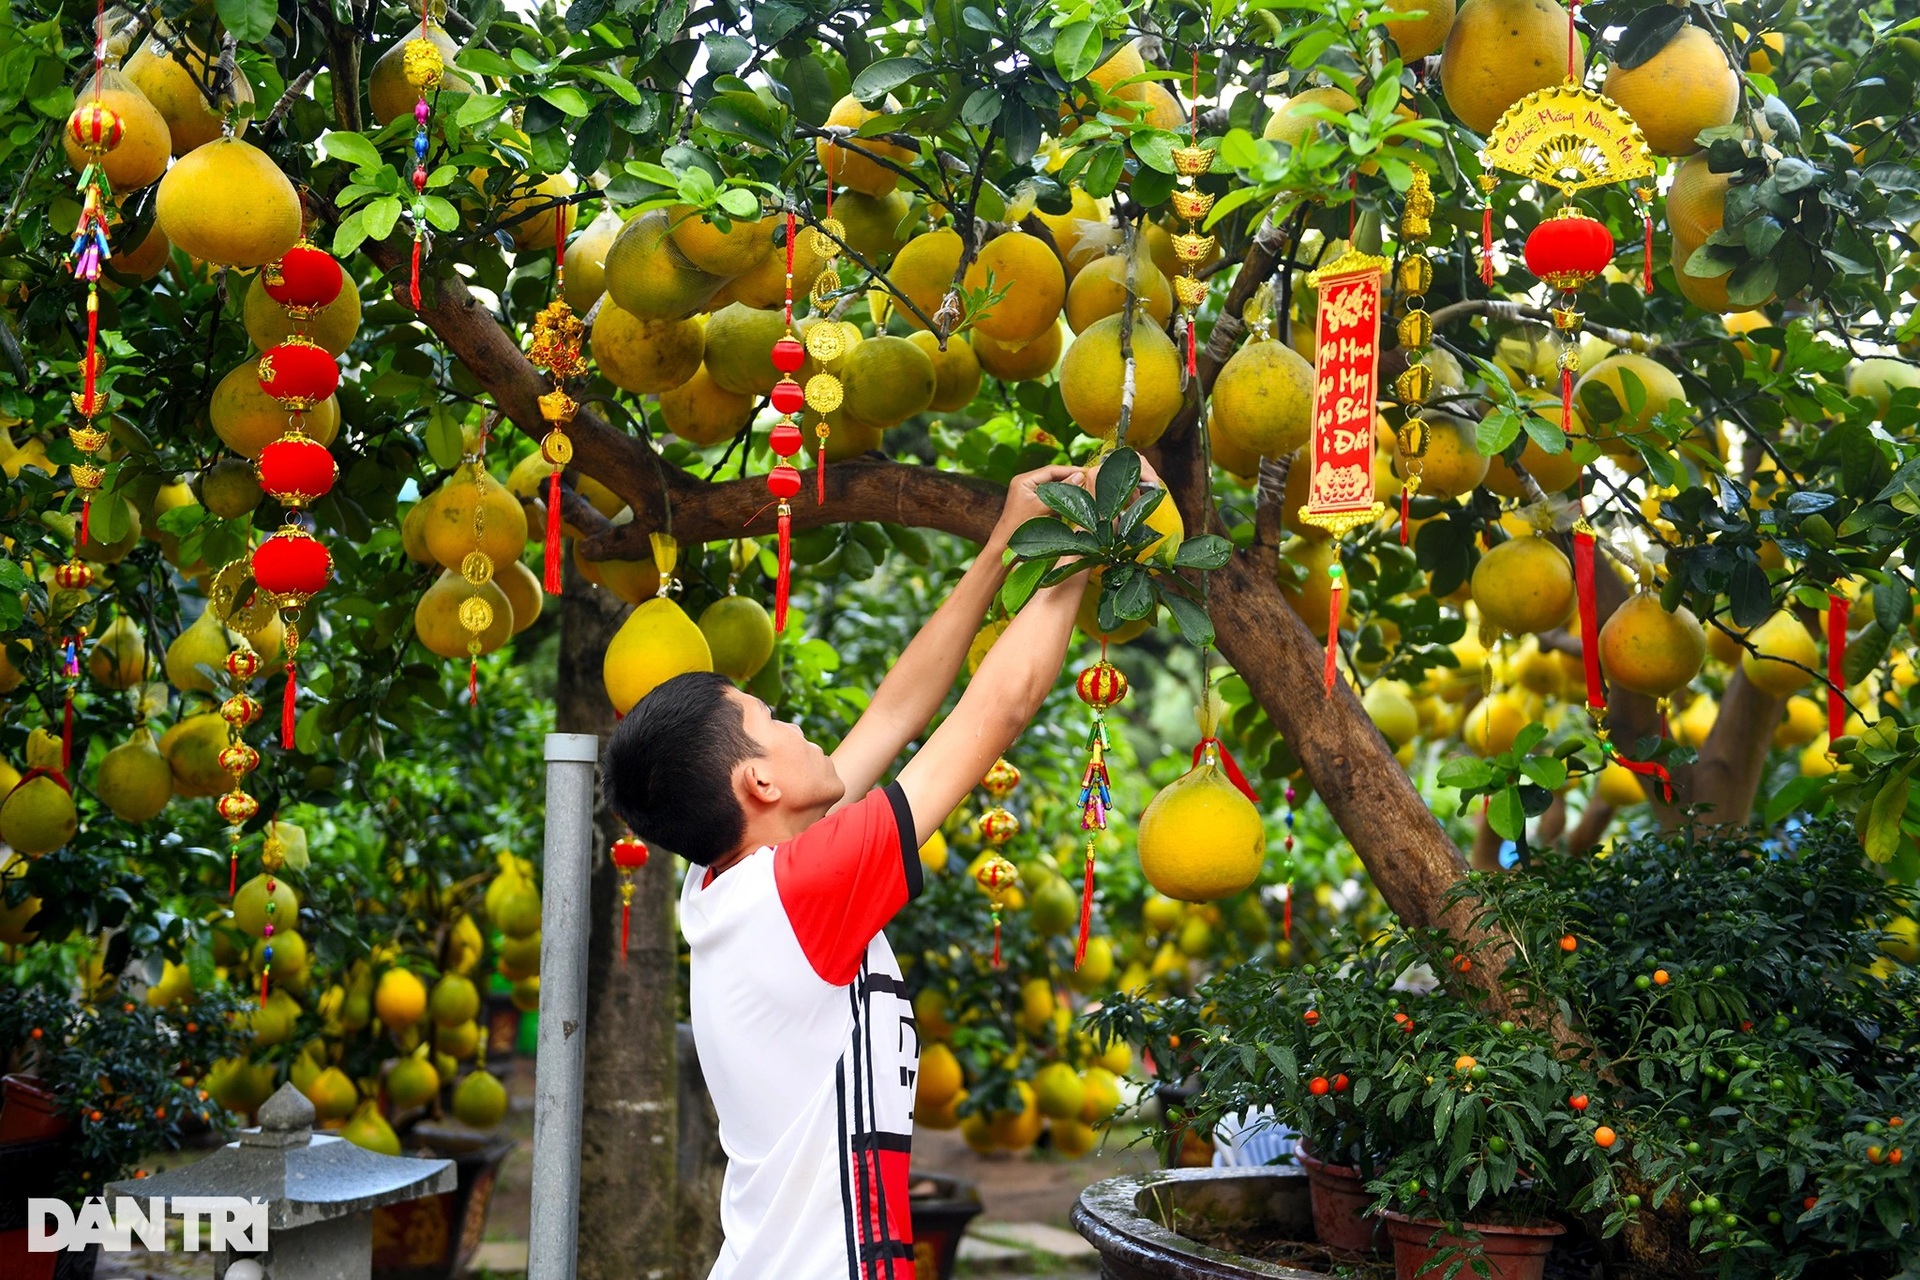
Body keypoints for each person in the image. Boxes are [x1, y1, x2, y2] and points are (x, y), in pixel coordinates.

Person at [604, 462, 1110, 1280]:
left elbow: (896, 712)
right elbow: (998, 710)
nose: (800, 726)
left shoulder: (740, 886)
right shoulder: (798, 896)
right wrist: (1086, 541)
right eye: (774, 722)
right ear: (760, 784)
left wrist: (1002, 548)